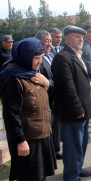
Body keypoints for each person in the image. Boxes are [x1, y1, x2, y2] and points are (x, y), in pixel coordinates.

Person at [0, 38, 58, 181]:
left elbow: (49, 93)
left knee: (40, 169)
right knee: (26, 173)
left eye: (41, 58)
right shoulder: (13, 79)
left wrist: (47, 83)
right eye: (36, 59)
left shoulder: (33, 72)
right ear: (25, 57)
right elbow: (11, 115)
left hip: (42, 132)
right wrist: (20, 140)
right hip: (26, 137)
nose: (39, 62)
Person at [51, 25, 91, 181]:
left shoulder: (76, 55)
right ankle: (71, 175)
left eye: (81, 37)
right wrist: (77, 110)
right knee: (72, 145)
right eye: (76, 36)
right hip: (73, 112)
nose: (81, 39)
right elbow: (67, 87)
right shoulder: (63, 57)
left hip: (83, 111)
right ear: (66, 38)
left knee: (81, 143)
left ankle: (77, 168)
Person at [35, 30, 62, 160]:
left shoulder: (50, 56)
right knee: (48, 127)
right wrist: (50, 83)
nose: (49, 44)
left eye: (50, 41)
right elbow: (40, 80)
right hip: (46, 98)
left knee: (56, 125)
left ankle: (55, 150)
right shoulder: (38, 60)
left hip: (55, 97)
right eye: (46, 41)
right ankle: (48, 154)